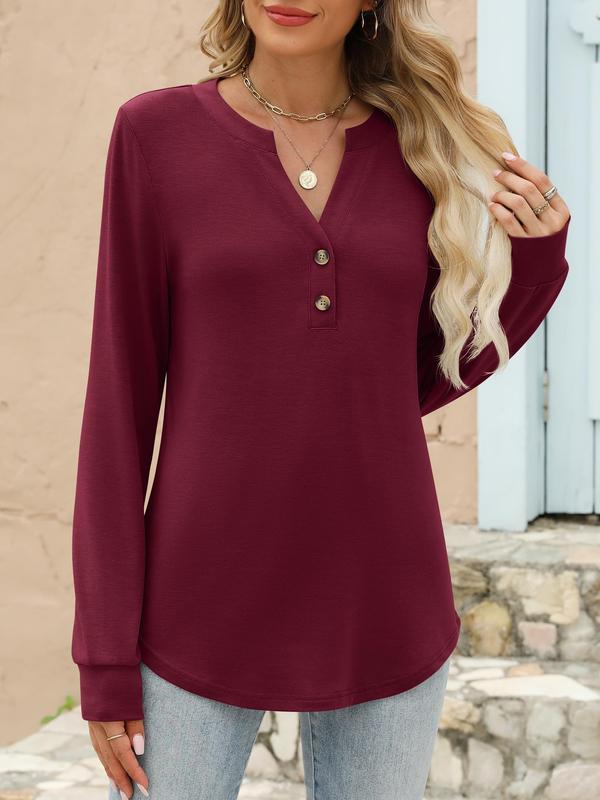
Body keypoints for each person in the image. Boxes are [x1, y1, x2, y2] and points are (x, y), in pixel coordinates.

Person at [70, 1, 572, 798]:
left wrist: (536, 264)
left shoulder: (419, 147)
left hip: (386, 601)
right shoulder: (155, 136)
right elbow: (116, 412)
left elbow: (406, 382)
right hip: (194, 605)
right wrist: (104, 655)